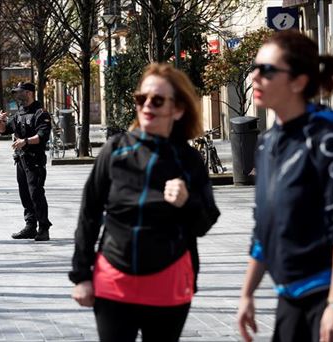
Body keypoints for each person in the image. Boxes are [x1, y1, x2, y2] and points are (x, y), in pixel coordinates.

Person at [69, 63, 220, 342]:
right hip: (114, 280)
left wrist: (187, 202)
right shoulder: (115, 150)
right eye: (142, 99)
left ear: (177, 109)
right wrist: (81, 275)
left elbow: (204, 222)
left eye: (158, 100)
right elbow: (88, 214)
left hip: (169, 282)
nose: (148, 105)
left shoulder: (188, 160)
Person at [237, 30, 333, 342]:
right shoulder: (266, 144)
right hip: (289, 296)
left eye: (268, 70)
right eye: (255, 68)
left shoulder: (327, 139)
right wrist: (247, 294)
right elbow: (263, 226)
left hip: (327, 295)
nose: (255, 77)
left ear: (299, 82)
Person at [0, 82, 53, 241]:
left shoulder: (41, 113)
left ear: (29, 93)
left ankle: (43, 228)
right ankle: (30, 226)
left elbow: (42, 136)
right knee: (25, 194)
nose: (16, 95)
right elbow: (4, 130)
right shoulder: (19, 113)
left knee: (36, 193)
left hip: (34, 160)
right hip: (21, 160)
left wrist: (25, 141)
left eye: (19, 92)